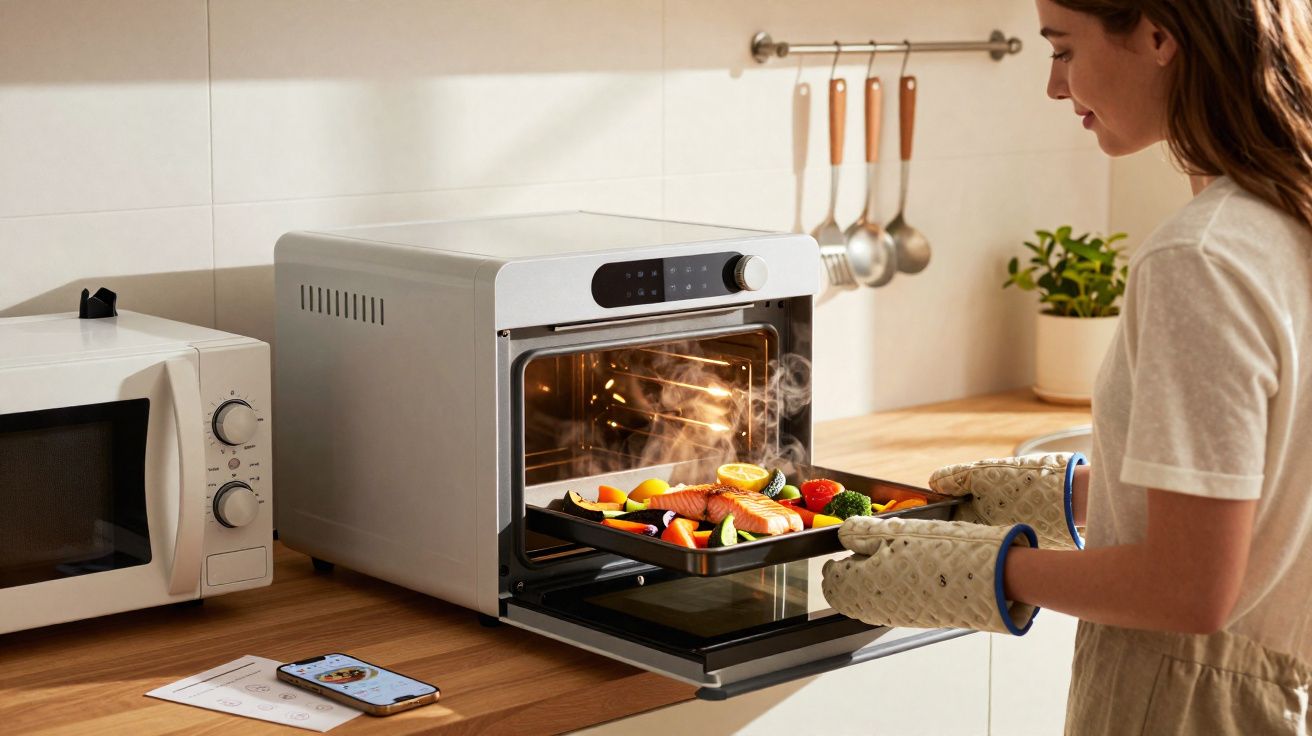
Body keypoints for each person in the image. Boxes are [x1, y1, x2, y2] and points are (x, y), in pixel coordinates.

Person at [821, 1, 1312, 733]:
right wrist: (1082, 494)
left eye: (1062, 50)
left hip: (1187, 707)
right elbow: (1271, 482)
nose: (1055, 87)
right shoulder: (1286, 217)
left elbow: (1189, 588)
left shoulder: (1201, 258)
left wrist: (975, 568)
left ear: (1156, 34)